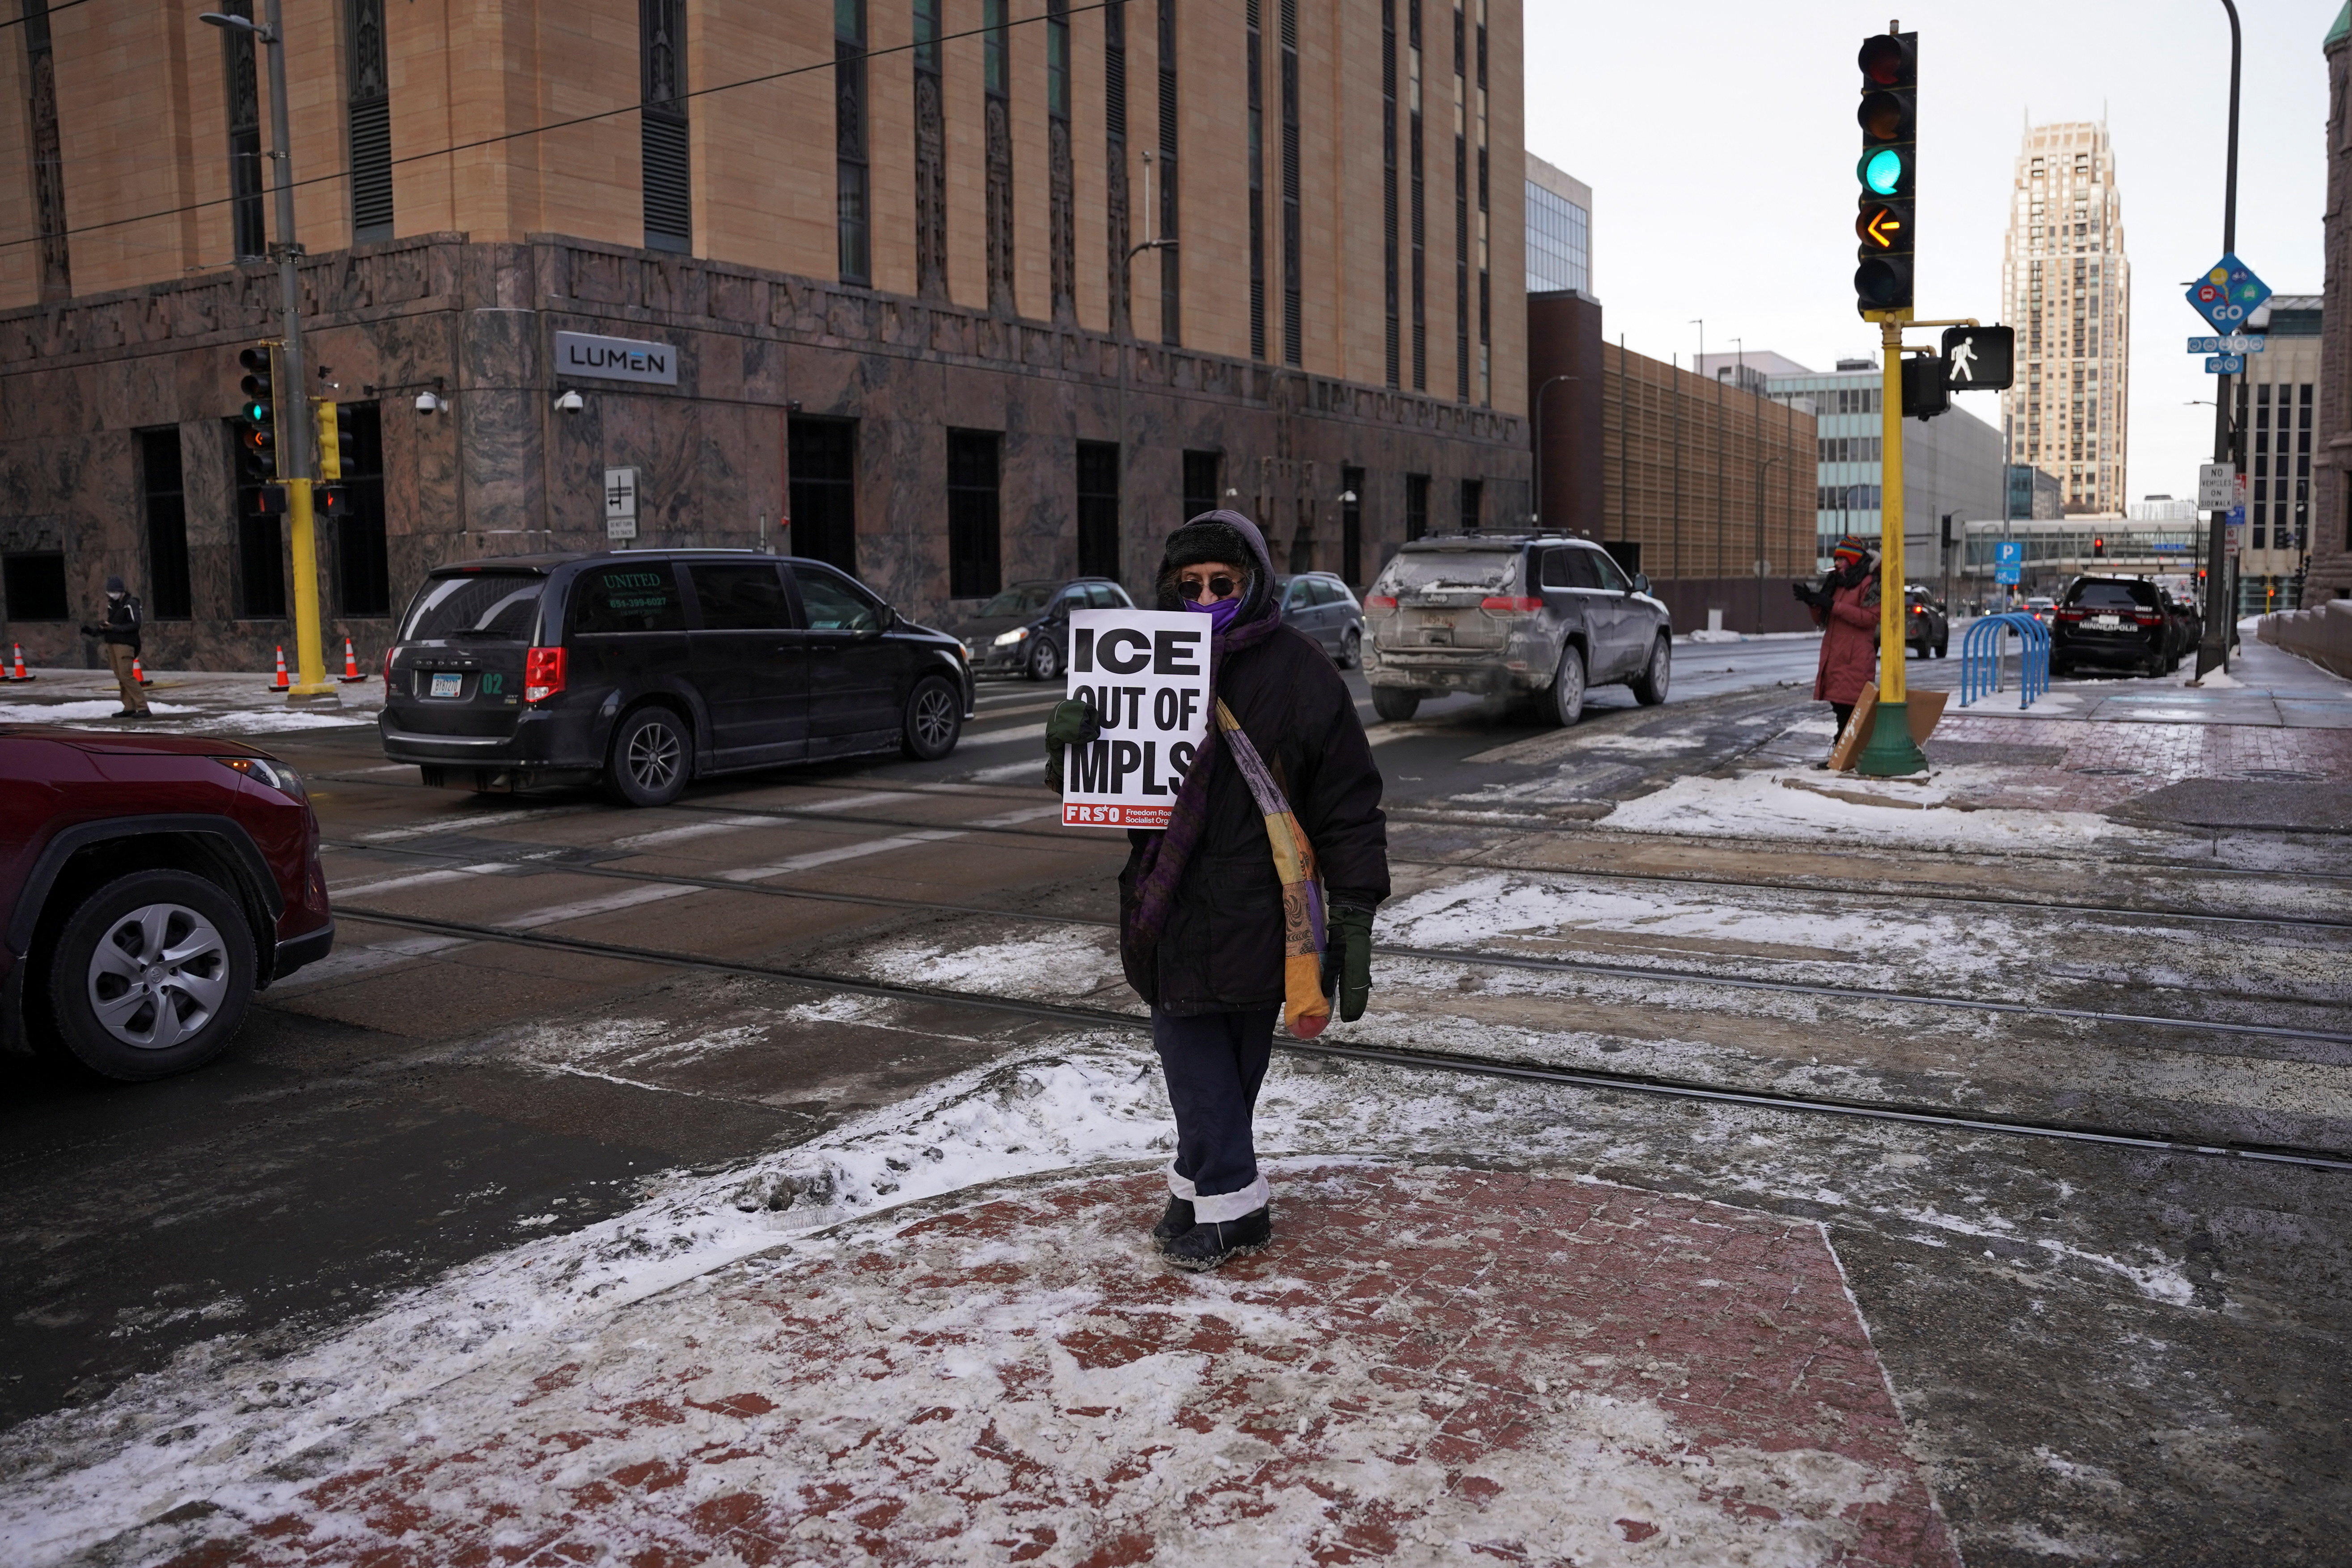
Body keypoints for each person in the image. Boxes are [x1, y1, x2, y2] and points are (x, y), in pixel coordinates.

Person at [1045, 511, 1388, 1272]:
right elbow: (1111, 782)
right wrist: (1069, 744)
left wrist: (1357, 906)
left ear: (1255, 581)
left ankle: (1219, 1201)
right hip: (1168, 896)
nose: (1206, 596)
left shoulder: (1299, 671)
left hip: (1262, 908)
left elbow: (1347, 798)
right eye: (1190, 585)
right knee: (1193, 1050)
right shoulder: (1139, 658)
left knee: (1228, 1060)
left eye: (1222, 583)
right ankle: (1220, 1195)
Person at [1792, 536, 1878, 766]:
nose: (1837, 563)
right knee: (1840, 706)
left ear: (1853, 560)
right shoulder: (1836, 582)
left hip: (1855, 655)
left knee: (1850, 708)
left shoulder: (1869, 582)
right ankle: (1843, 754)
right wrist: (1813, 603)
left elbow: (1870, 619)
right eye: (1836, 559)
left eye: (1842, 559)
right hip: (1836, 653)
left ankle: (1846, 756)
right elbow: (1824, 620)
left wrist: (1834, 605)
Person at [80, 575, 149, 718]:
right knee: (121, 677)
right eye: (110, 592)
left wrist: (113, 627)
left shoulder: (131, 603)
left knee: (126, 676)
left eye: (115, 591)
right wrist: (94, 631)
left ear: (121, 591)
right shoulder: (113, 604)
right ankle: (129, 707)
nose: (112, 594)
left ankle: (143, 708)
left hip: (125, 644)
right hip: (112, 642)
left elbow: (135, 624)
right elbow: (110, 624)